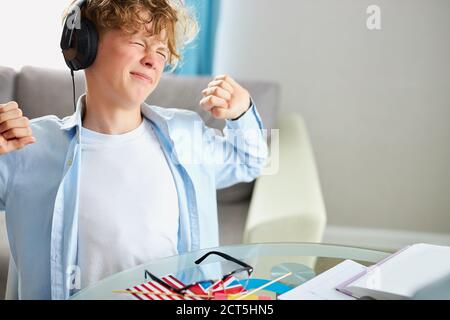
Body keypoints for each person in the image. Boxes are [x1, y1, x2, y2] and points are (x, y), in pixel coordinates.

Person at [0, 0, 268, 299]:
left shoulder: (186, 133)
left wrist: (242, 113)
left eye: (162, 51)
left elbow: (252, 161)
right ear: (83, 45)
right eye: (139, 42)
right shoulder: (28, 148)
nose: (153, 59)